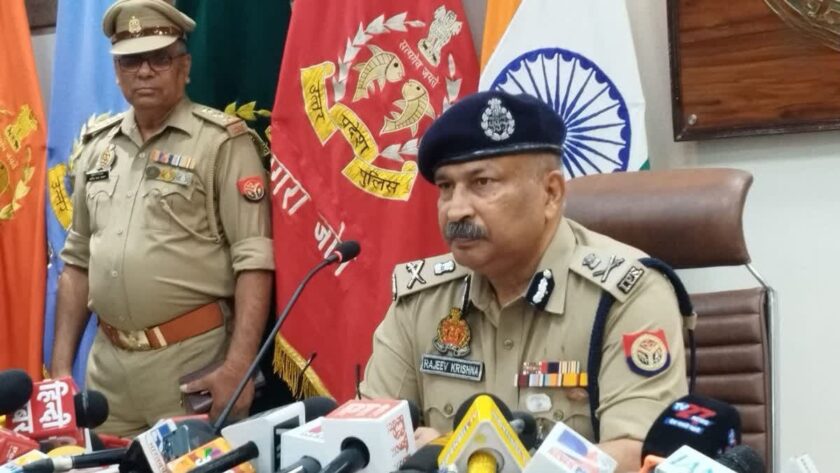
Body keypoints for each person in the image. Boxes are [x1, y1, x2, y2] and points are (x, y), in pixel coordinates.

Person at [360, 90, 688, 470]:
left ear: (550, 193)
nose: (456, 209)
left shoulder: (627, 295)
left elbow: (636, 457)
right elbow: (369, 435)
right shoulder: (422, 298)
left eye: (482, 183)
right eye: (446, 187)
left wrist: (460, 456)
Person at [51, 0, 274, 436]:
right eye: (131, 61)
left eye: (159, 58)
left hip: (191, 369)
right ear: (116, 71)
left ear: (184, 67)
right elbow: (76, 263)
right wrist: (60, 372)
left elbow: (254, 261)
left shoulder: (222, 143)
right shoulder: (96, 146)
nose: (145, 72)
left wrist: (238, 367)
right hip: (107, 375)